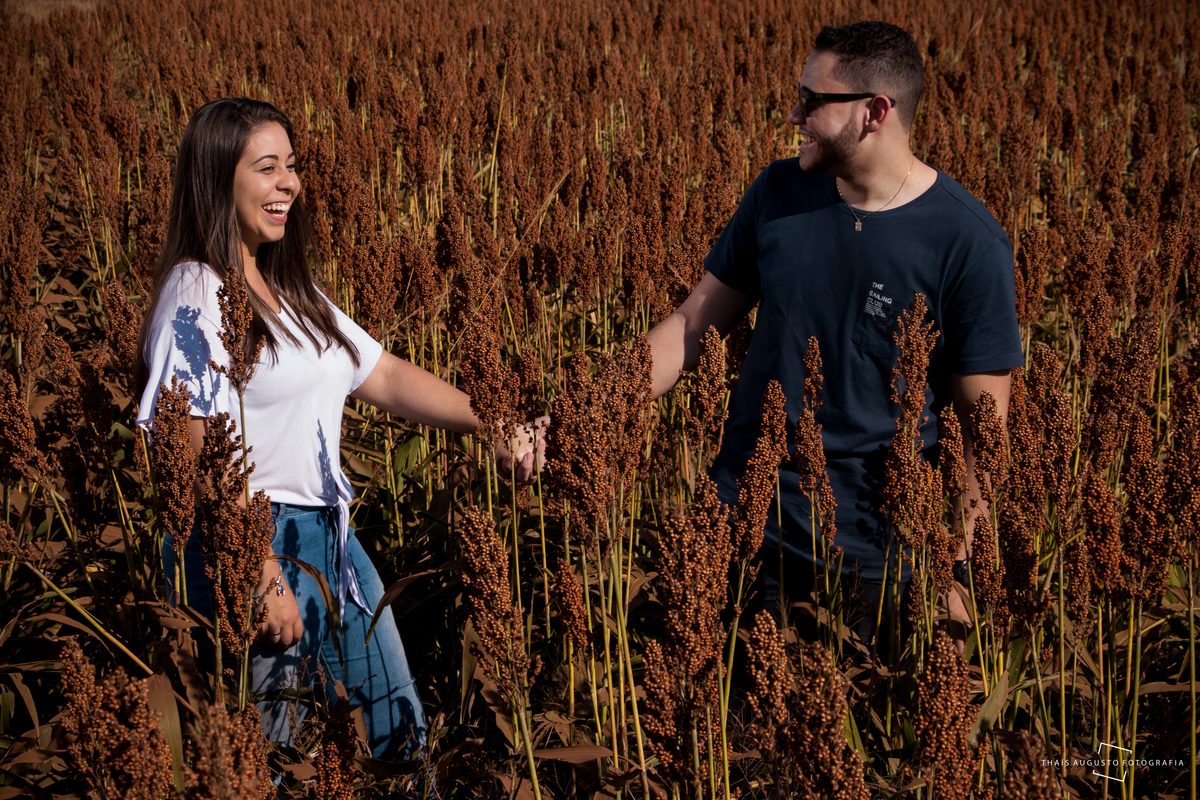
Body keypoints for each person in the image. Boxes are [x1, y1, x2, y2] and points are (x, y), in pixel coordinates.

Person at [134, 97, 544, 757]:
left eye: (291, 167)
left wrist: (492, 421)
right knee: (271, 761)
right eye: (268, 168)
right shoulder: (195, 294)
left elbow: (382, 376)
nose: (289, 184)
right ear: (216, 180)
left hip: (332, 543)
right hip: (246, 546)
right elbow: (187, 448)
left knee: (398, 733)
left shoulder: (290, 290)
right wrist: (259, 571)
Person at [645, 22, 1023, 646]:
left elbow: (985, 436)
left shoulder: (966, 244)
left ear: (875, 112)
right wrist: (595, 405)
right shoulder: (778, 192)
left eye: (813, 100)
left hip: (876, 560)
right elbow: (690, 326)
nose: (794, 113)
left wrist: (960, 578)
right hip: (744, 531)